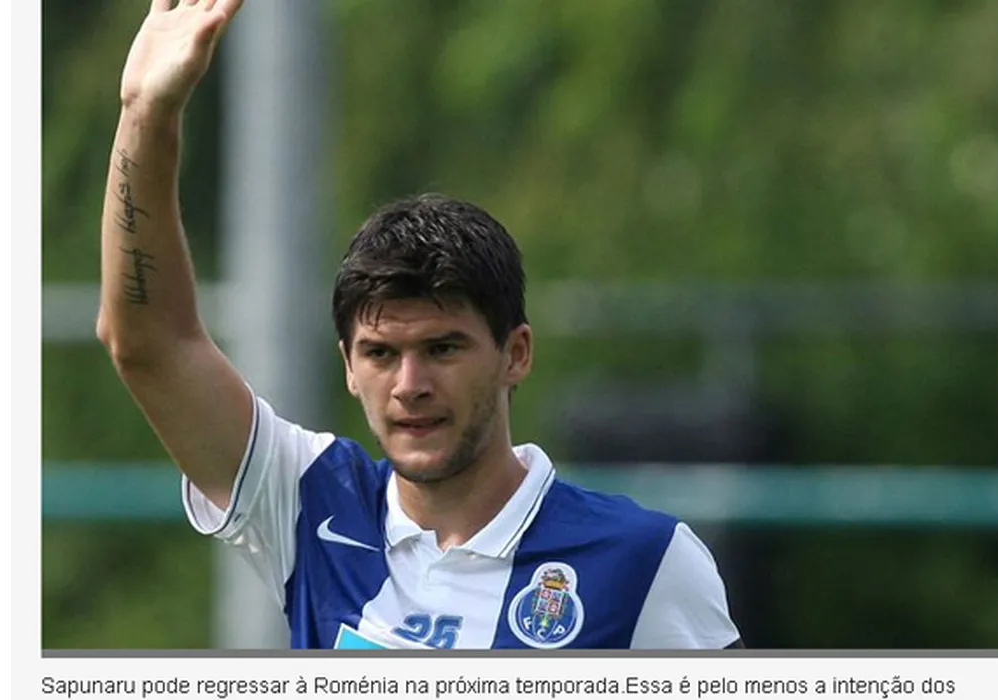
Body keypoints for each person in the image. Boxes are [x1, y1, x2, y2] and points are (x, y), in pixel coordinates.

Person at [99, 0, 743, 650]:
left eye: (442, 348)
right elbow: (150, 344)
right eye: (381, 353)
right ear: (349, 367)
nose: (410, 384)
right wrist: (146, 113)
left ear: (515, 353)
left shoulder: (644, 561)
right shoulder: (310, 502)